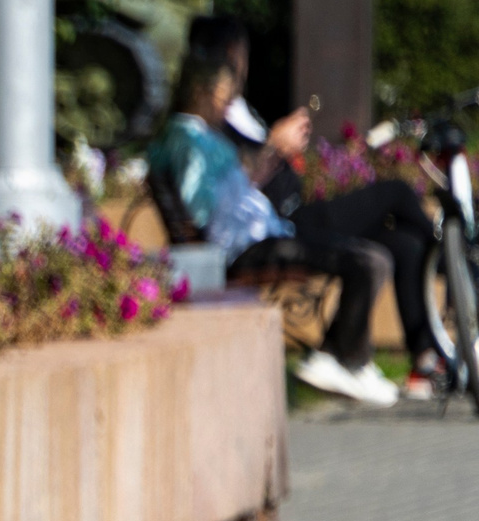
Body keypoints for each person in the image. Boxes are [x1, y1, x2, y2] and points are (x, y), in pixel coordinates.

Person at [150, 34, 434, 406]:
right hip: (245, 247)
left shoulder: (200, 136)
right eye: (223, 95)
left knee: (378, 253)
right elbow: (206, 208)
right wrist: (270, 149)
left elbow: (230, 192)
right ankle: (340, 357)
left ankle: (342, 357)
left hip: (263, 234)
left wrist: (270, 155)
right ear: (201, 92)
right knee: (370, 258)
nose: (226, 105)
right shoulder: (185, 139)